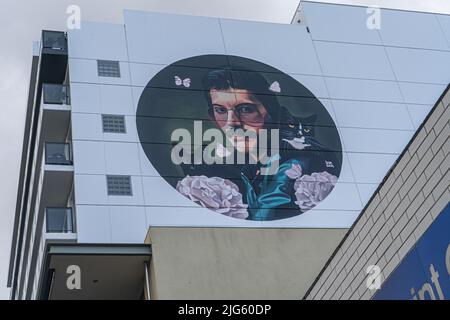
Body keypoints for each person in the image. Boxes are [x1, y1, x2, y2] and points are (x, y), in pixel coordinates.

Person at [180, 67, 341, 221]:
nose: (232, 123)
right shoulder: (228, 168)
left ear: (270, 112)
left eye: (245, 109)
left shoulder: (308, 160)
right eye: (220, 110)